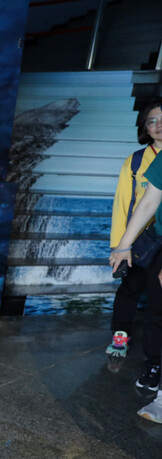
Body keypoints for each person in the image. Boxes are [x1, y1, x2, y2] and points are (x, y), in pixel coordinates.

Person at [107, 99, 162, 360]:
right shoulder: (136, 160)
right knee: (130, 288)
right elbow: (123, 203)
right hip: (141, 240)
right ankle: (120, 334)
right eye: (152, 120)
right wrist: (120, 244)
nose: (159, 124)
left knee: (156, 295)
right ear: (146, 128)